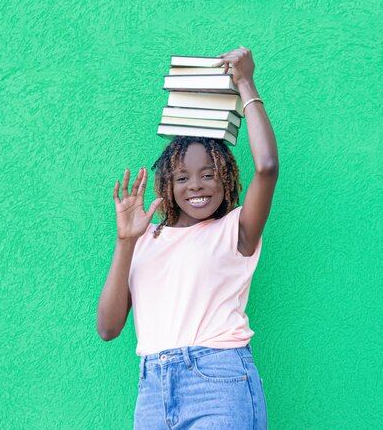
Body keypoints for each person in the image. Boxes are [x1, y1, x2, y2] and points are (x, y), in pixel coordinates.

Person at [97, 46, 279, 429]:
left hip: (220, 381)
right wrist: (125, 241)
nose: (196, 185)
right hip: (152, 390)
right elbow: (108, 329)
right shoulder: (145, 239)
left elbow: (266, 167)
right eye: (183, 177)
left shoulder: (235, 230)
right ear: (168, 183)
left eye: (208, 174)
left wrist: (245, 82)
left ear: (225, 177)